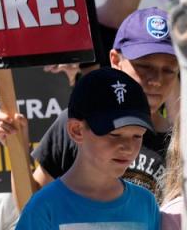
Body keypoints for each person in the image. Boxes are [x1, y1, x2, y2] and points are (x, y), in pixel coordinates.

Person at [0, 7, 178, 198]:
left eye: (169, 70)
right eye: (144, 66)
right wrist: (17, 150)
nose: (156, 80)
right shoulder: (80, 122)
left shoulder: (178, 142)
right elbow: (30, 207)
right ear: (115, 60)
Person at [15, 68, 161, 229]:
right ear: (76, 130)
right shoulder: (44, 208)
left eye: (137, 136)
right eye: (114, 134)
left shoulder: (146, 203)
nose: (127, 147)